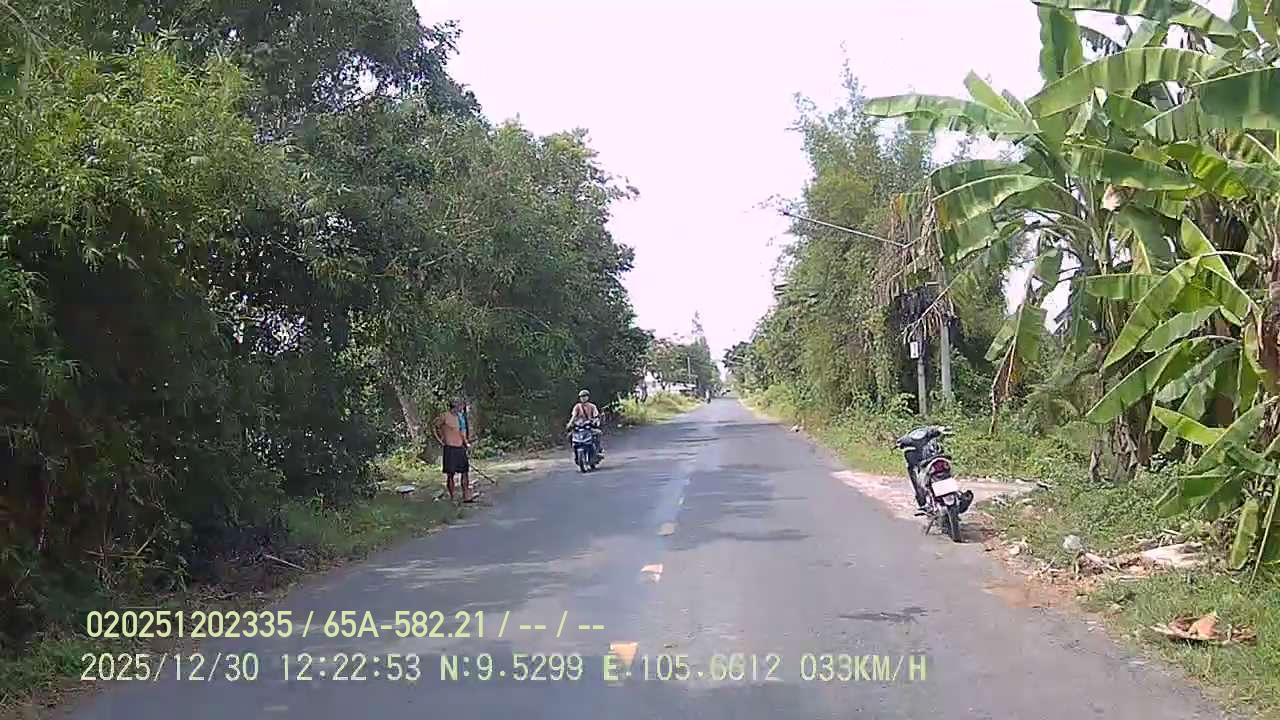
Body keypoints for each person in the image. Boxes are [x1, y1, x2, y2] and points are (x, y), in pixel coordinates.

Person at [433, 398, 473, 503]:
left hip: (460, 447)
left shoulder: (461, 417)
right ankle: (452, 497)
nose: (461, 408)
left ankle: (466, 495)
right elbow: (435, 427)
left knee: (465, 472)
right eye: (459, 406)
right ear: (454, 407)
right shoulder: (445, 416)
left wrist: (466, 443)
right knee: (450, 474)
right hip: (450, 448)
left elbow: (462, 432)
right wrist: (440, 440)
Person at [566, 389, 603, 457]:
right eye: (581, 396)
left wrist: (595, 422)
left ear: (588, 397)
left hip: (589, 426)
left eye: (585, 396)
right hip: (579, 427)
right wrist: (569, 424)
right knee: (569, 436)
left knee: (598, 433)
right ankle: (574, 450)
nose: (583, 398)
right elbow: (573, 416)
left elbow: (596, 416)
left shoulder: (592, 406)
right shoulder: (577, 406)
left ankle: (598, 450)